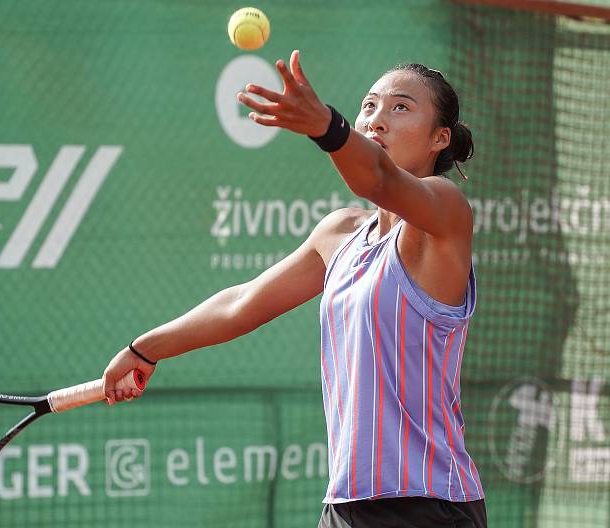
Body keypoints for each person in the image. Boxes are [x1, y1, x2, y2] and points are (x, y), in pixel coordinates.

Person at [102, 50, 487, 528]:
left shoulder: (446, 213)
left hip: (429, 506)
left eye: (401, 107)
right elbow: (242, 303)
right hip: (345, 506)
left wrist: (327, 126)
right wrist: (146, 348)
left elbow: (381, 180)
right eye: (369, 106)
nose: (377, 120)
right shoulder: (341, 233)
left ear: (440, 138)